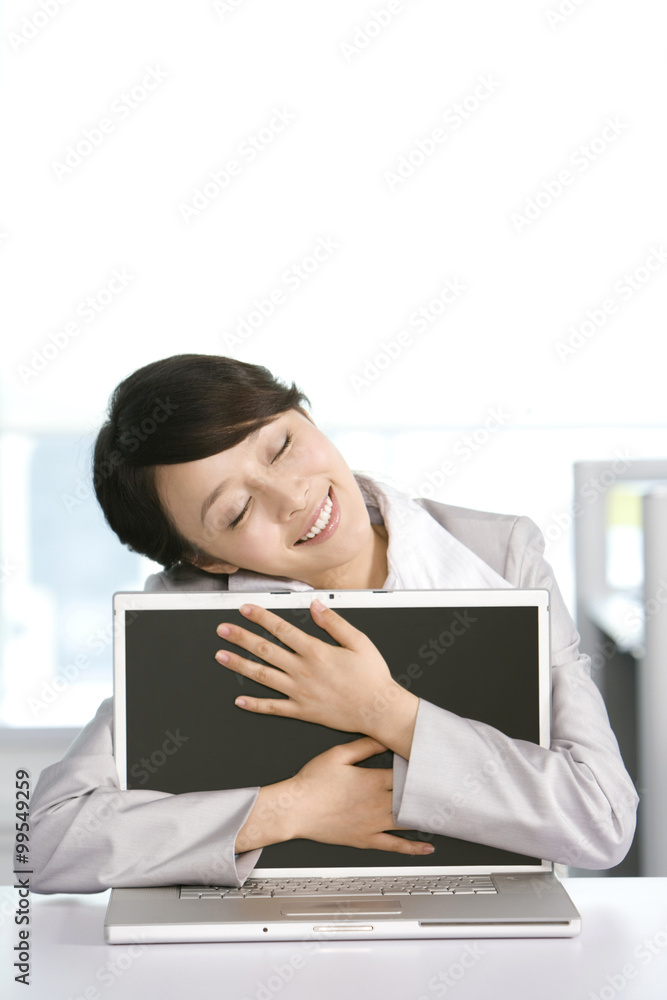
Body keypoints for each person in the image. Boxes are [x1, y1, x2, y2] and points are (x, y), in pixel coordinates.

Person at [30, 354, 638, 893]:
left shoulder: (502, 553)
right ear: (208, 558)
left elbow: (601, 822)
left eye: (281, 446)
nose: (290, 496)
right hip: (254, 935)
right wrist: (286, 809)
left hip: (476, 915)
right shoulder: (189, 616)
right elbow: (46, 845)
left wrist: (386, 713)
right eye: (238, 510)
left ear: (306, 413)